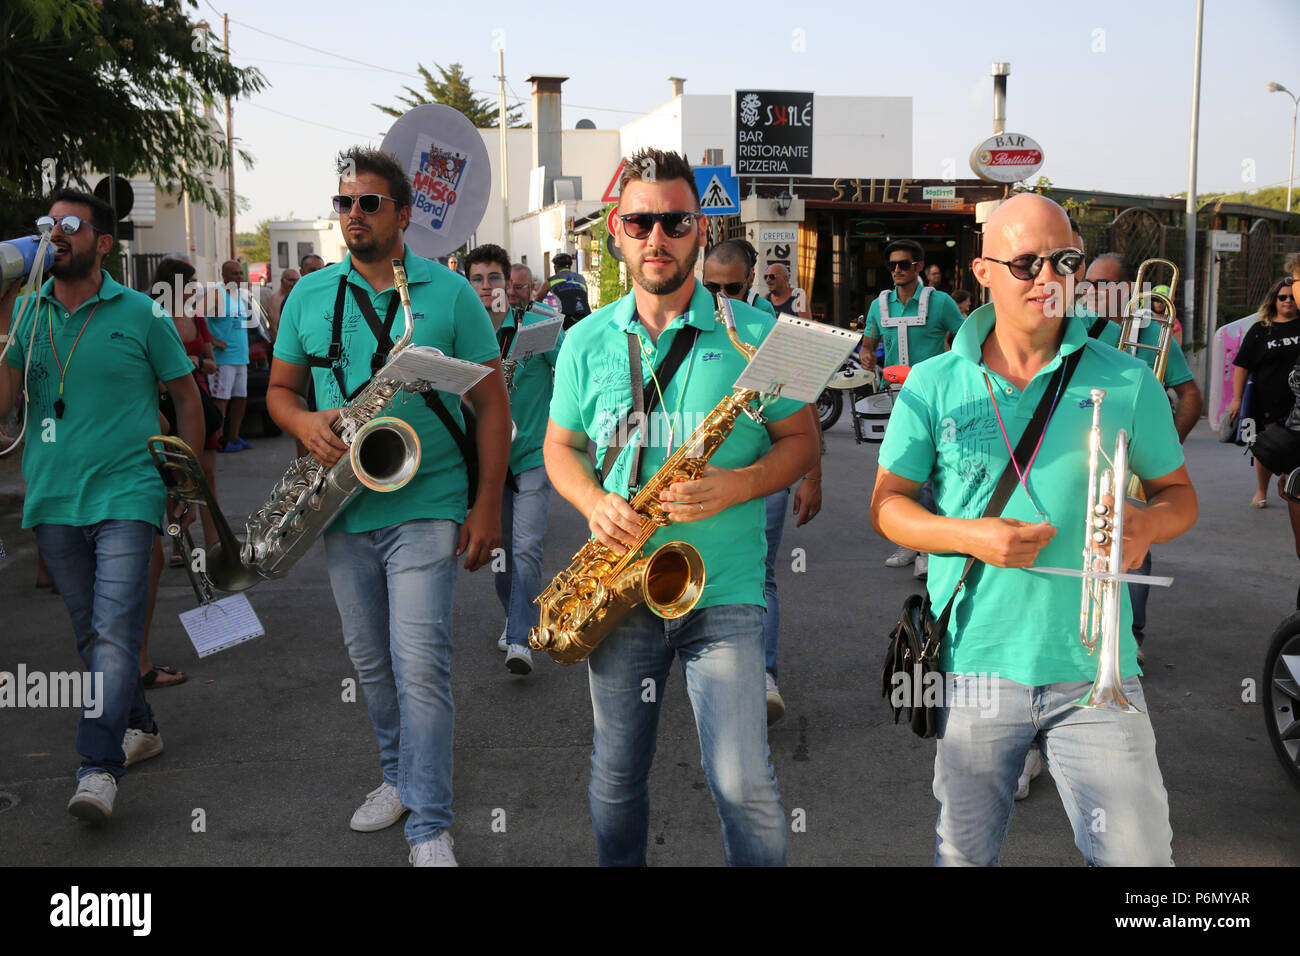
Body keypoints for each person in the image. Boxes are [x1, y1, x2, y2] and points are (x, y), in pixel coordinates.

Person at [871, 192, 1197, 866]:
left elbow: (1180, 497)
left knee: (1139, 862)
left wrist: (1147, 524)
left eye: (1064, 261)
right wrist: (969, 535)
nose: (1049, 279)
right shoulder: (932, 383)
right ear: (983, 270)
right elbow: (887, 507)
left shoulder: (1128, 378)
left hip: (1095, 670)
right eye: (1026, 263)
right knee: (965, 857)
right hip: (973, 667)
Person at [544, 148, 818, 866]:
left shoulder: (760, 334)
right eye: (640, 221)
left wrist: (739, 485)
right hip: (621, 586)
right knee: (615, 778)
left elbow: (802, 443)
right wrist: (594, 500)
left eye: (673, 221)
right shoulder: (582, 341)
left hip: (723, 591)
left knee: (743, 783)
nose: (656, 237)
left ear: (699, 227)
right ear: (616, 229)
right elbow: (558, 449)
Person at [269, 146, 511, 867]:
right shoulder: (310, 296)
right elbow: (281, 391)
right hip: (342, 507)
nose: (353, 216)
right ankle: (398, 775)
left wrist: (487, 506)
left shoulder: (449, 295)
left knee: (420, 664)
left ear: (404, 215)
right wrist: (301, 422)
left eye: (369, 203)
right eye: (344, 202)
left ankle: (429, 823)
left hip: (428, 500)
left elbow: (492, 407)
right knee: (371, 662)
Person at [0, 189, 205, 823]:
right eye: (47, 224)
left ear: (103, 243)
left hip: (130, 492)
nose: (55, 234)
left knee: (116, 631)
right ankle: (139, 725)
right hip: (55, 495)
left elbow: (188, 398)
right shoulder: (27, 315)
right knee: (93, 632)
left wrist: (184, 484)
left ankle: (98, 767)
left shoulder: (142, 312)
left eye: (70, 225)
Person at [703, 240, 821, 723]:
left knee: (761, 576)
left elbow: (804, 405)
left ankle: (763, 676)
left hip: (764, 475)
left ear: (753, 279)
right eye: (712, 287)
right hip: (698, 475)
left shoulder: (774, 328)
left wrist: (811, 474)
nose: (722, 297)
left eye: (733, 287)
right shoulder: (686, 320)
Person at [465, 242, 563, 676]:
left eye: (494, 278)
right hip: (490, 461)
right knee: (499, 551)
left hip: (532, 455)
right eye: (478, 279)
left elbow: (573, 375)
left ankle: (521, 638)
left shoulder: (540, 325)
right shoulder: (462, 332)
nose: (487, 287)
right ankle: (516, 617)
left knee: (526, 547)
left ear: (509, 282)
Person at [862, 238, 966, 576]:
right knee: (902, 473)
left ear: (919, 267)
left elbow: (968, 340)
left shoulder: (941, 302)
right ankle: (910, 543)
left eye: (904, 264)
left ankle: (927, 550)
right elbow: (869, 344)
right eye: (891, 265)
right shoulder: (879, 305)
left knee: (934, 473)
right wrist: (867, 356)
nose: (896, 271)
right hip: (895, 398)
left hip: (937, 399)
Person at [1231, 276, 1300, 507]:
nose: (1288, 300)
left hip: (1297, 402)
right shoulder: (1261, 329)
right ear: (1274, 300)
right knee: (1268, 446)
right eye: (1283, 297)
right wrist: (1236, 399)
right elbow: (1241, 365)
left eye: (1292, 296)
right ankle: (1261, 490)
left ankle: (1291, 483)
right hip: (1268, 401)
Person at [207, 259, 252, 452]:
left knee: (240, 398)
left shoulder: (239, 296)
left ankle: (233, 437)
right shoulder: (215, 295)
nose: (238, 277)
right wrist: (215, 342)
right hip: (223, 359)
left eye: (240, 273)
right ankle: (218, 440)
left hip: (241, 357)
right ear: (223, 275)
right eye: (234, 274)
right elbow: (199, 319)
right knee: (221, 400)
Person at [546, 252, 592, 328]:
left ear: (556, 267)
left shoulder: (551, 280)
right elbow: (585, 298)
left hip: (567, 317)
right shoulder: (581, 278)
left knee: (554, 335)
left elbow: (538, 300)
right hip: (586, 315)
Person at [265, 268, 300, 342]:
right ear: (282, 281)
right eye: (291, 280)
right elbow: (274, 328)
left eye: (297, 280)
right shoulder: (276, 299)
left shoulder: (296, 296)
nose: (295, 283)